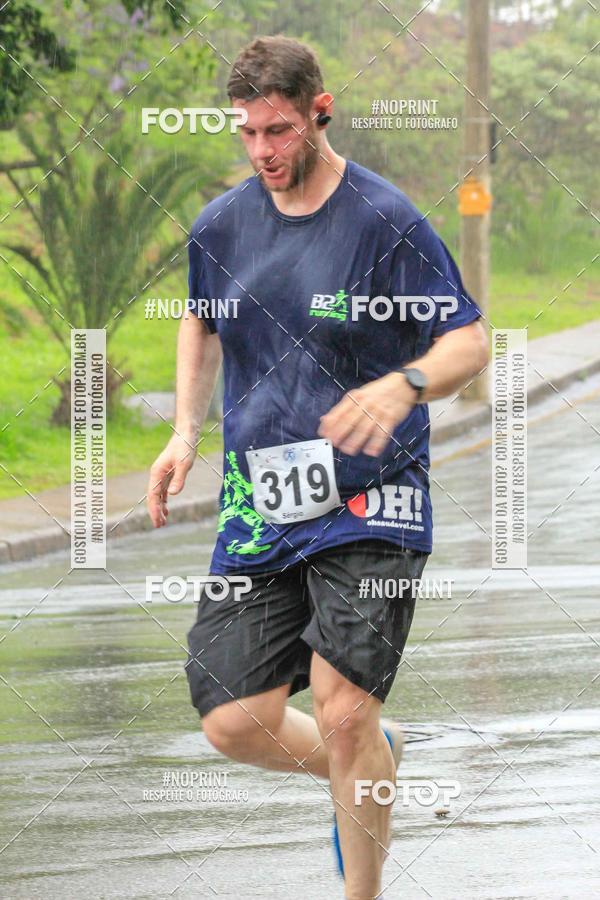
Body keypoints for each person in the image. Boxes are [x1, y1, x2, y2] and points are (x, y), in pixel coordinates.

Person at [147, 34, 488, 900]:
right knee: (232, 721)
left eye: (280, 131)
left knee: (341, 712)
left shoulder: (385, 221)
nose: (263, 151)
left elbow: (469, 340)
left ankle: (361, 875)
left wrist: (406, 385)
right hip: (261, 503)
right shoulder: (223, 225)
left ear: (319, 113)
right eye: (249, 134)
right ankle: (374, 757)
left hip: (372, 498)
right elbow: (200, 318)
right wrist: (185, 430)